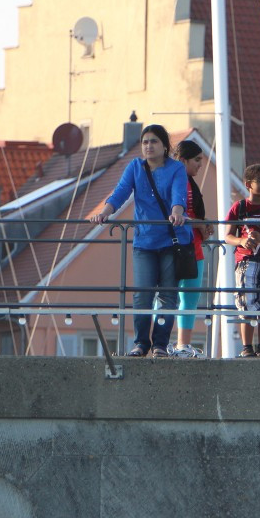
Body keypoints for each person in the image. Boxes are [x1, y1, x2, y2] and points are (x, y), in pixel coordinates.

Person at [89, 125, 190, 357]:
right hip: (145, 240)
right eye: (145, 142)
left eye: (154, 141)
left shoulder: (176, 169)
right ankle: (141, 343)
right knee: (142, 294)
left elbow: (178, 195)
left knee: (168, 295)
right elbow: (121, 192)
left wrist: (176, 212)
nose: (148, 146)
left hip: (171, 240)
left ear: (165, 146)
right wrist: (106, 212)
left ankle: (160, 344)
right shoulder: (135, 167)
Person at [225, 164, 260, 357]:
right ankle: (247, 347)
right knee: (246, 303)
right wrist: (242, 241)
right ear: (248, 184)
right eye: (259, 180)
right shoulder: (240, 207)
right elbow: (228, 235)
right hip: (246, 261)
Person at [170, 140, 213, 358]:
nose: (200, 165)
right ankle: (167, 343)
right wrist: (200, 224)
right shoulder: (177, 182)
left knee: (187, 298)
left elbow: (192, 216)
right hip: (177, 247)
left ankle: (180, 344)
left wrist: (202, 227)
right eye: (197, 160)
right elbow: (175, 216)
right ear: (183, 160)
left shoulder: (190, 183)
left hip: (193, 246)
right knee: (172, 297)